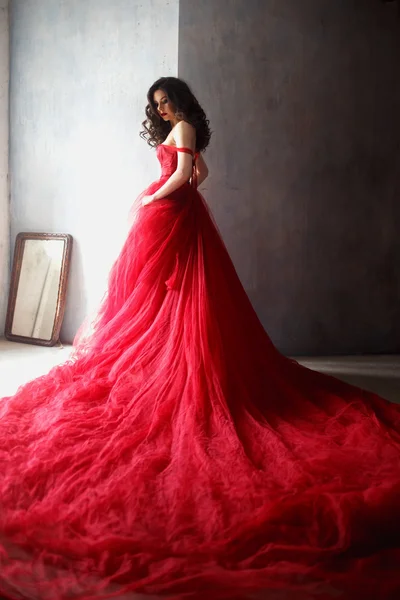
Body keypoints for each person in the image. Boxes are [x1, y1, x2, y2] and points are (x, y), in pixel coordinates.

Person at [0, 76, 399, 600]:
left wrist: (152, 201)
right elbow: (201, 173)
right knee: (156, 298)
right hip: (175, 213)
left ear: (181, 101)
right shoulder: (184, 128)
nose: (161, 110)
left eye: (166, 101)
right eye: (156, 105)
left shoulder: (185, 127)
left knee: (169, 295)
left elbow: (189, 172)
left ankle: (177, 366)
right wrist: (171, 193)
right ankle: (158, 361)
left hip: (168, 216)